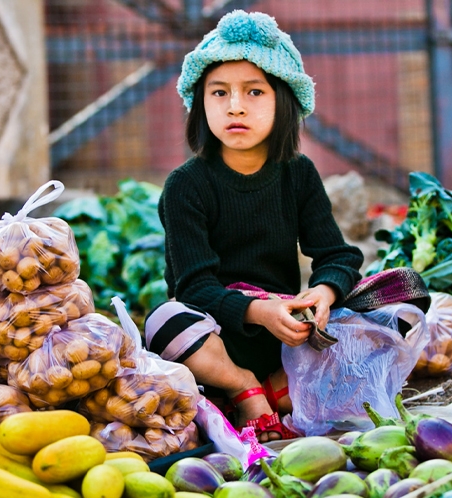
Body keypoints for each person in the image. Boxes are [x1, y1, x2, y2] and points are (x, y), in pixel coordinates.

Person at [144, 10, 364, 442]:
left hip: (288, 334)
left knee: (382, 307)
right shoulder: (186, 185)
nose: (236, 106)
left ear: (284, 101)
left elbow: (338, 256)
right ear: (200, 103)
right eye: (219, 93)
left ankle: (282, 384)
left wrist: (323, 292)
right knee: (164, 319)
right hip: (215, 338)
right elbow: (193, 288)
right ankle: (242, 386)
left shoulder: (298, 174)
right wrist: (256, 311)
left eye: (254, 92)